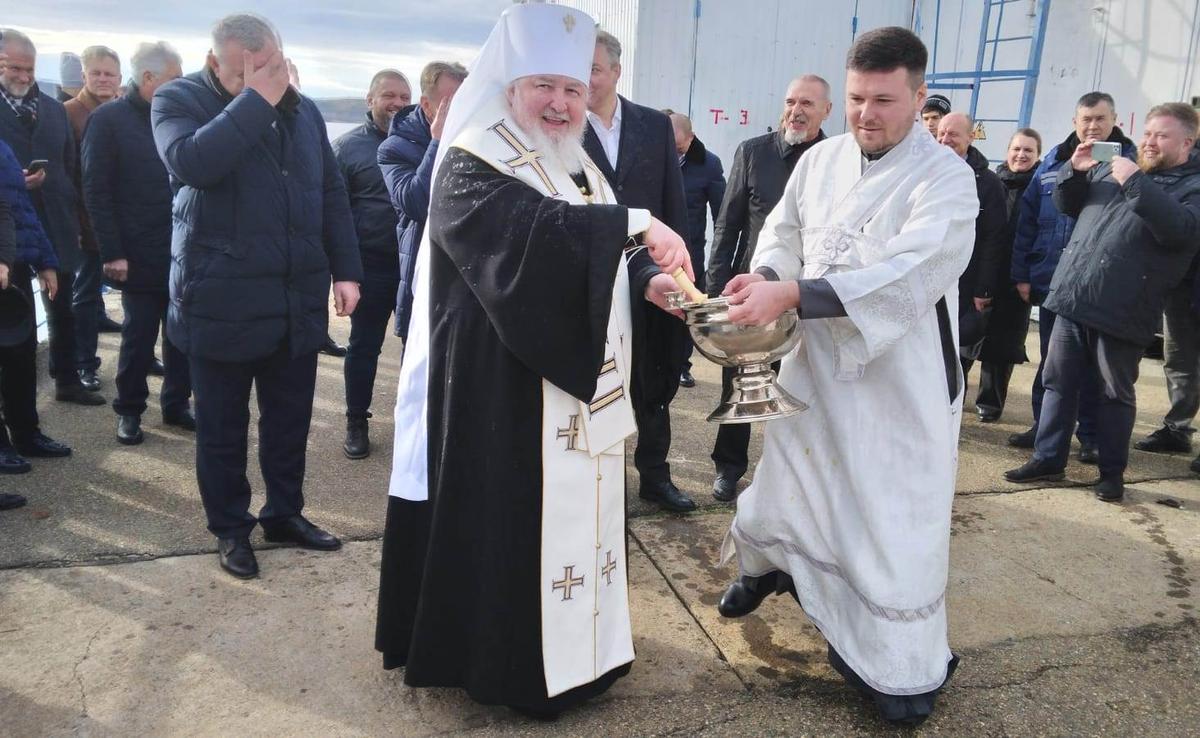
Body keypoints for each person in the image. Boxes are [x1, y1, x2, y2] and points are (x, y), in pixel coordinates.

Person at [375, 3, 692, 716]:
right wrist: (637, 222)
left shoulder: (579, 161)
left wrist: (654, 282)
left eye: (574, 90)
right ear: (512, 85)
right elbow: (531, 237)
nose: (559, 103)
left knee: (586, 535)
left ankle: (586, 661)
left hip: (583, 384)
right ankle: (512, 668)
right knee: (515, 530)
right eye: (544, 85)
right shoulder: (469, 159)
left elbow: (604, 249)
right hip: (505, 394)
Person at [715, 27, 978, 726]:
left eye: (885, 100)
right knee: (792, 476)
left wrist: (794, 294)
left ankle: (898, 662)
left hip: (901, 379)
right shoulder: (822, 158)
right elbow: (784, 230)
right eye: (858, 97)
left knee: (890, 514)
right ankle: (767, 566)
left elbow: (912, 272)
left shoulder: (948, 177)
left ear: (918, 97)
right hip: (818, 362)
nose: (867, 113)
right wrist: (768, 275)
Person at [151, 13, 362, 579]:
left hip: (293, 297)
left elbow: (331, 193)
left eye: (273, 63)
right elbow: (192, 163)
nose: (269, 76)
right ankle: (230, 528)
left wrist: (346, 270)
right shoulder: (177, 100)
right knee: (222, 429)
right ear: (217, 62)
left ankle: (284, 513)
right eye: (252, 68)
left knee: (289, 420)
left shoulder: (304, 109)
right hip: (218, 299)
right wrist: (256, 102)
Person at [1004, 104, 1200, 501]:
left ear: (1187, 142)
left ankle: (1111, 473)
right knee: (1057, 383)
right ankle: (1048, 458)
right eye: (1147, 133)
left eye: (1161, 135)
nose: (1149, 141)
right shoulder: (1115, 168)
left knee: (1114, 394)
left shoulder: (1189, 187)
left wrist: (1133, 182)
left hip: (1124, 309)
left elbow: (1178, 231)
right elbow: (1067, 205)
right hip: (1074, 295)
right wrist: (1073, 172)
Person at [583, 29, 695, 513]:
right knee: (596, 381)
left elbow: (674, 200)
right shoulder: (562, 126)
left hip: (656, 275)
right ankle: (594, 486)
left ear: (615, 72)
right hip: (591, 276)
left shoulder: (652, 125)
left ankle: (655, 476)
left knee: (654, 376)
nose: (582, 80)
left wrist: (685, 269)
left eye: (592, 69)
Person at [704, 75, 831, 502]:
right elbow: (728, 224)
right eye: (791, 101)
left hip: (809, 295)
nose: (796, 110)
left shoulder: (837, 160)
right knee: (739, 386)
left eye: (808, 104)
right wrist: (716, 290)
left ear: (826, 111)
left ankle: (788, 474)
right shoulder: (753, 153)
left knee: (799, 389)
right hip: (751, 292)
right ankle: (729, 467)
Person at [1008, 92, 1135, 460]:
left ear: (1114, 120)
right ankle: (1042, 428)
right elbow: (1028, 221)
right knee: (1052, 364)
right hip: (1053, 280)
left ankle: (1090, 437)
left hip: (1100, 287)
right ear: (1075, 122)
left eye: (1100, 118)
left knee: (1096, 369)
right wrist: (1022, 274)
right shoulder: (1055, 161)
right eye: (1086, 119)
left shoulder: (1128, 163)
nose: (1093, 126)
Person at [82, 41, 193, 446]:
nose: (181, 87)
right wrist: (112, 251)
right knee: (139, 337)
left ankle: (177, 405)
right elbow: (96, 190)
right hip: (136, 251)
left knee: (181, 336)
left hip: (180, 249)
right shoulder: (109, 120)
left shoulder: (177, 118)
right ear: (149, 78)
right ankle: (129, 411)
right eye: (174, 80)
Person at [0, 30, 104, 407]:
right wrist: (15, 181)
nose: (24, 77)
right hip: (7, 228)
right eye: (15, 68)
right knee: (15, 322)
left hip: (55, 222)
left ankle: (67, 380)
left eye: (29, 69)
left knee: (62, 308)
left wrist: (75, 217)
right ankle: (17, 409)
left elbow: (69, 165)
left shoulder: (53, 109)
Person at [332, 68, 411, 459]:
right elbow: (334, 213)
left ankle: (419, 424)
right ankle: (356, 421)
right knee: (363, 347)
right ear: (370, 99)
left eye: (403, 96)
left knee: (418, 349)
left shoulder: (423, 142)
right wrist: (341, 273)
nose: (397, 103)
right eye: (388, 95)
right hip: (371, 266)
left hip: (415, 266)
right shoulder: (347, 148)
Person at [378, 60, 466, 347]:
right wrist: (437, 142)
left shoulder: (474, 140)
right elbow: (415, 203)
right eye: (451, 104)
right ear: (427, 106)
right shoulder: (393, 148)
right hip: (423, 276)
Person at [0, 135, 68, 486]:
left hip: (14, 269)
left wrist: (45, 260)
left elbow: (19, 209)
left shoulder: (3, 148)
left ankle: (26, 433)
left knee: (21, 357)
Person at [65, 45, 125, 392]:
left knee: (137, 296)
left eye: (109, 74)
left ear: (119, 78)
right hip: (85, 226)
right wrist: (72, 224)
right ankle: (85, 363)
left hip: (124, 224)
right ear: (84, 76)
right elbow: (65, 176)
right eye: (97, 73)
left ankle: (142, 356)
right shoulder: (69, 114)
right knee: (85, 298)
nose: (103, 79)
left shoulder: (124, 113)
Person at [974, 128, 1042, 422]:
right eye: (1016, 149)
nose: (1021, 155)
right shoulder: (992, 183)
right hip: (986, 273)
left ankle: (990, 404)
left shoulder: (1040, 189)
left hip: (1017, 280)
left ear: (1038, 156)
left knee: (1002, 346)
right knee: (968, 338)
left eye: (1028, 150)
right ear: (1007, 152)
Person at [936, 112, 1007, 381]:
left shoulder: (989, 183)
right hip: (929, 277)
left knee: (955, 350)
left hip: (966, 280)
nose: (945, 139)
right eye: (941, 133)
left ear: (970, 137)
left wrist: (984, 289)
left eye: (953, 134)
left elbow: (993, 238)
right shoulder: (923, 172)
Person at [667, 110, 725, 388]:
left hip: (690, 254)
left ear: (691, 138)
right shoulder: (653, 158)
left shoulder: (709, 165)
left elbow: (722, 213)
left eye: (677, 145)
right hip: (653, 249)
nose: (672, 149)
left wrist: (719, 258)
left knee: (684, 311)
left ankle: (682, 365)